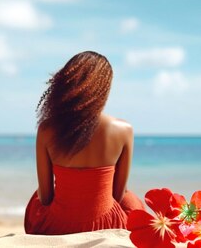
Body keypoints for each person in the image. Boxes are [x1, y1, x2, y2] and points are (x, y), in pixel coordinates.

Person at [24, 51, 145, 235]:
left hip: (56, 227)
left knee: (35, 198)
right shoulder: (124, 129)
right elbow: (118, 195)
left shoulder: (46, 129)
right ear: (103, 89)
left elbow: (46, 197)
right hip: (106, 225)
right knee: (132, 200)